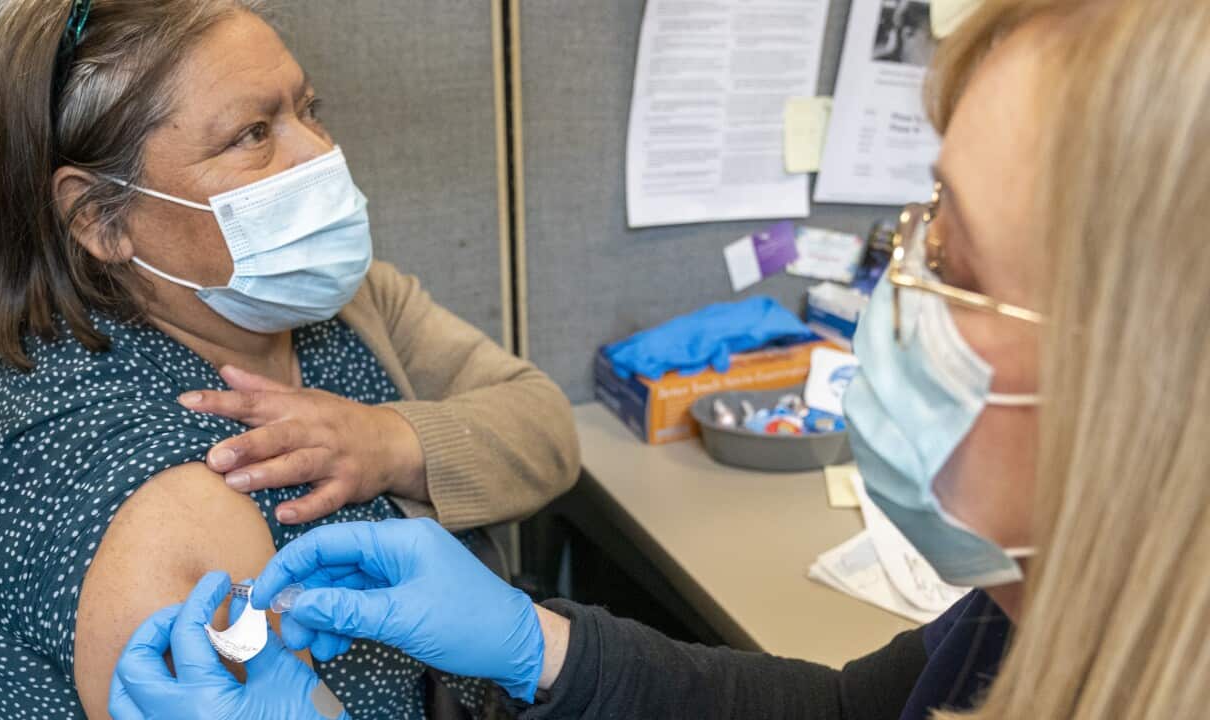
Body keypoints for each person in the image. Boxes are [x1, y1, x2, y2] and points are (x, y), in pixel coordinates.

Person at [114, 0, 1210, 717]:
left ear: (1147, 377)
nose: (896, 289)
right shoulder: (1026, 622)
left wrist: (404, 443)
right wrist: (542, 647)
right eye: (914, 226)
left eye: (954, 256)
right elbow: (842, 713)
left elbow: (534, 425)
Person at [0, 1, 580, 718]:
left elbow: (546, 428)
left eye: (308, 109)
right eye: (253, 134)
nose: (322, 155)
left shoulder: (340, 307)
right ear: (99, 218)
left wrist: (388, 442)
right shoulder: (161, 498)